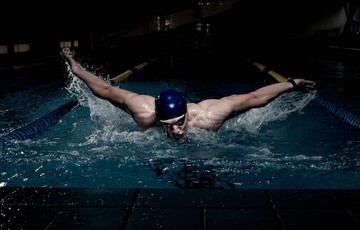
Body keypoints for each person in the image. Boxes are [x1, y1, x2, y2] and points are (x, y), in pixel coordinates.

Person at [60, 49, 316, 141]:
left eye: (180, 122)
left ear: (187, 114)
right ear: (157, 116)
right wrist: (77, 68)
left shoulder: (210, 115)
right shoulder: (143, 111)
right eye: (168, 126)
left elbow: (255, 98)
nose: (176, 131)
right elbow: (106, 90)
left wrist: (292, 84)